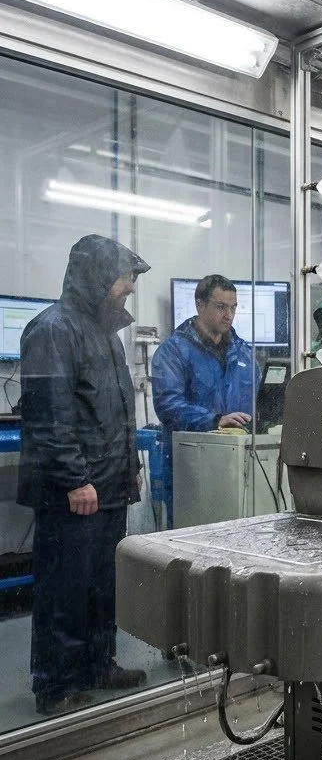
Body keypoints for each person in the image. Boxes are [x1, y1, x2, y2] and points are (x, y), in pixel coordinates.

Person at [18, 234, 151, 715]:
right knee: (64, 590)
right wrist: (75, 479)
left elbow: (120, 412)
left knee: (102, 584)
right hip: (71, 491)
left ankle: (98, 665)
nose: (130, 287)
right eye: (124, 278)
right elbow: (50, 416)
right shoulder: (51, 330)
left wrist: (128, 470)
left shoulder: (105, 335)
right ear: (96, 278)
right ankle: (54, 686)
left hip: (108, 485)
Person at [150, 274, 254, 524]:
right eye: (221, 307)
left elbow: (258, 402)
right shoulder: (174, 351)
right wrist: (215, 420)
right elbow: (168, 406)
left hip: (237, 468)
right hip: (190, 470)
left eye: (233, 307)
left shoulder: (244, 353)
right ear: (200, 305)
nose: (228, 315)